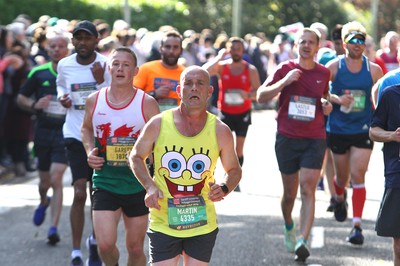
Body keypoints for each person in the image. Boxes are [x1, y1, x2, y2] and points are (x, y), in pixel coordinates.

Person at [129, 65, 242, 265]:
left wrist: (224, 188)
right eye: (188, 84)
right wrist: (150, 186)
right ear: (179, 91)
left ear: (209, 91)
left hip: (201, 223)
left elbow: (234, 170)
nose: (194, 88)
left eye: (200, 84)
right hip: (164, 221)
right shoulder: (158, 123)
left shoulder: (220, 130)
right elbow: (136, 156)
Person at [256, 27, 332, 262]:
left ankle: (303, 240)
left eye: (311, 42)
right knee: (289, 193)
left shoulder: (323, 72)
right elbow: (260, 96)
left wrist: (326, 105)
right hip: (287, 137)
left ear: (318, 47)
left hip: (314, 138)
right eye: (303, 41)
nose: (307, 45)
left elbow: (325, 97)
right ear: (296, 45)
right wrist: (284, 83)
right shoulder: (285, 69)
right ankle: (289, 224)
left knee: (308, 188)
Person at [81, 47, 160, 266]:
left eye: (126, 65)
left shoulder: (147, 103)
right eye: (115, 64)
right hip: (105, 180)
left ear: (135, 71)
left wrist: (152, 160)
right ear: (109, 68)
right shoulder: (94, 100)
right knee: (104, 245)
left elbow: (160, 139)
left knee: (135, 248)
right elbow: (86, 129)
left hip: (138, 184)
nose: (120, 69)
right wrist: (89, 151)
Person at [57, 20, 111, 266]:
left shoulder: (105, 65)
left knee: (95, 193)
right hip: (74, 133)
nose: (82, 42)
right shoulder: (64, 65)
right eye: (78, 38)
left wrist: (100, 82)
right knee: (79, 191)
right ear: (73, 41)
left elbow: (113, 99)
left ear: (96, 41)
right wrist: (63, 98)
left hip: (100, 136)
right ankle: (76, 250)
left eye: (86, 38)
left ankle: (94, 241)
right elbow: (61, 86)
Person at [325, 21, 383, 245]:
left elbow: (384, 95)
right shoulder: (334, 67)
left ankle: (357, 226)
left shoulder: (374, 70)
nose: (358, 44)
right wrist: (336, 99)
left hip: (362, 129)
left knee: (358, 175)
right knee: (342, 177)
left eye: (361, 40)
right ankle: (339, 198)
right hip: (338, 129)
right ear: (345, 43)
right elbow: (320, 93)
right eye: (353, 40)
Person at [17, 33, 70, 245]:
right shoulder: (38, 73)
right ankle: (43, 200)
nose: (56, 50)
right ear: (48, 51)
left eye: (61, 46)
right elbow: (21, 96)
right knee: (44, 182)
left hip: (65, 131)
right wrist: (34, 105)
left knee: (57, 179)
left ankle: (53, 228)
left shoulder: (73, 74)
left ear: (68, 49)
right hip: (43, 131)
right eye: (53, 47)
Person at [203, 36, 261, 191]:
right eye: (232, 49)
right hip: (225, 113)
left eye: (238, 49)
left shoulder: (250, 69)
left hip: (242, 112)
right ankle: (212, 178)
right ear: (228, 49)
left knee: (238, 149)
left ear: (243, 50)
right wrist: (218, 57)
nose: (235, 52)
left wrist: (247, 95)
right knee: (217, 147)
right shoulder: (222, 67)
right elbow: (204, 71)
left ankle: (235, 180)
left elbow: (259, 93)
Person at [369, 84, 400, 266]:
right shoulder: (390, 94)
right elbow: (373, 130)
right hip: (397, 174)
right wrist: (392, 136)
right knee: (399, 244)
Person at [133, 30, 185, 111]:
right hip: (149, 119)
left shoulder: (186, 74)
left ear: (181, 50)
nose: (171, 51)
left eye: (175, 47)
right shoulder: (146, 69)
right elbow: (132, 97)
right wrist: (154, 94)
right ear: (161, 48)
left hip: (177, 121)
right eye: (168, 47)